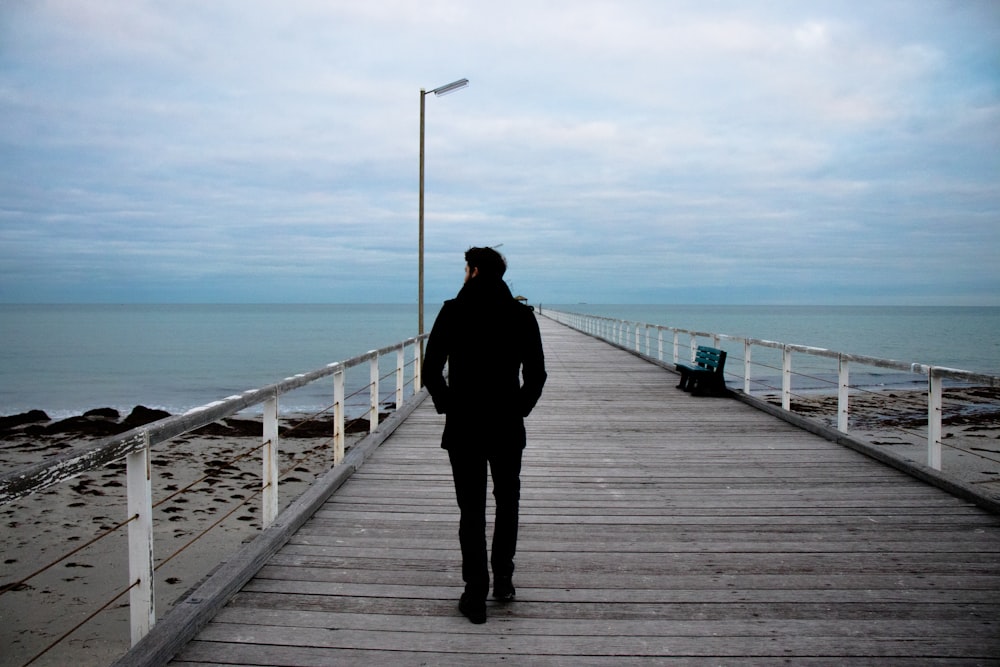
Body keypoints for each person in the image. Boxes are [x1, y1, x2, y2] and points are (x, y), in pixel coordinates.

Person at [422, 246, 547, 624]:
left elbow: (431, 370)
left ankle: (475, 591)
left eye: (466, 269)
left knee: (471, 509)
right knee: (508, 501)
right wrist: (518, 408)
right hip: (507, 424)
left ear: (474, 271)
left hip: (464, 426)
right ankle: (504, 580)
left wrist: (449, 405)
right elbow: (537, 374)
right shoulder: (521, 314)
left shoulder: (453, 310)